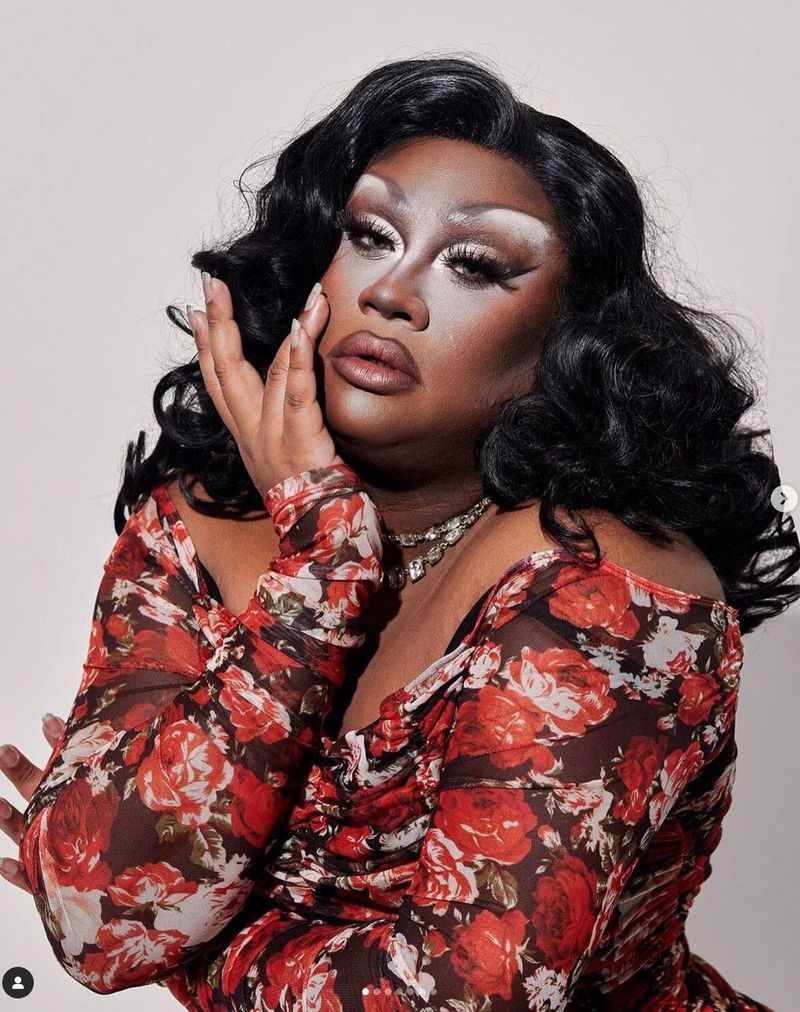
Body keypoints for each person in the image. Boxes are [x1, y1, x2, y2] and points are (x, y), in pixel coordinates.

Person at [1, 55, 797, 1010]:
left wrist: (188, 940)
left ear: (563, 343)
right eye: (371, 234)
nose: (392, 292)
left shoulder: (599, 586)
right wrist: (319, 564)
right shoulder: (194, 526)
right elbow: (95, 927)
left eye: (475, 265)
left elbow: (456, 1002)